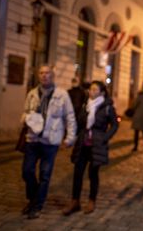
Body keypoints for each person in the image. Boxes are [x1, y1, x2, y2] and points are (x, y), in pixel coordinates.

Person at [21, 64, 77, 219]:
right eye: (41, 73)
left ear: (53, 76)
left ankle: (37, 206)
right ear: (38, 75)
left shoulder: (62, 94)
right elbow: (25, 112)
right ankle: (33, 199)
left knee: (45, 175)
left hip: (51, 141)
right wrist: (27, 119)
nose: (44, 75)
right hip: (32, 138)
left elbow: (70, 117)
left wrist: (70, 137)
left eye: (47, 73)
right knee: (27, 172)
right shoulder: (32, 93)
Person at [63, 81, 118, 215]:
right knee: (78, 172)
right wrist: (71, 137)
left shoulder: (107, 107)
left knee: (93, 174)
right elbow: (78, 122)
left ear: (102, 92)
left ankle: (91, 200)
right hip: (83, 143)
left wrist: (105, 137)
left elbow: (115, 125)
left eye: (94, 90)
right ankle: (75, 201)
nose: (91, 92)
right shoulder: (85, 105)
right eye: (90, 90)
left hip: (97, 145)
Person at [131, 82, 143, 152]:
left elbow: (135, 105)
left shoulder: (140, 96)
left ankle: (135, 147)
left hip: (138, 116)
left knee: (136, 132)